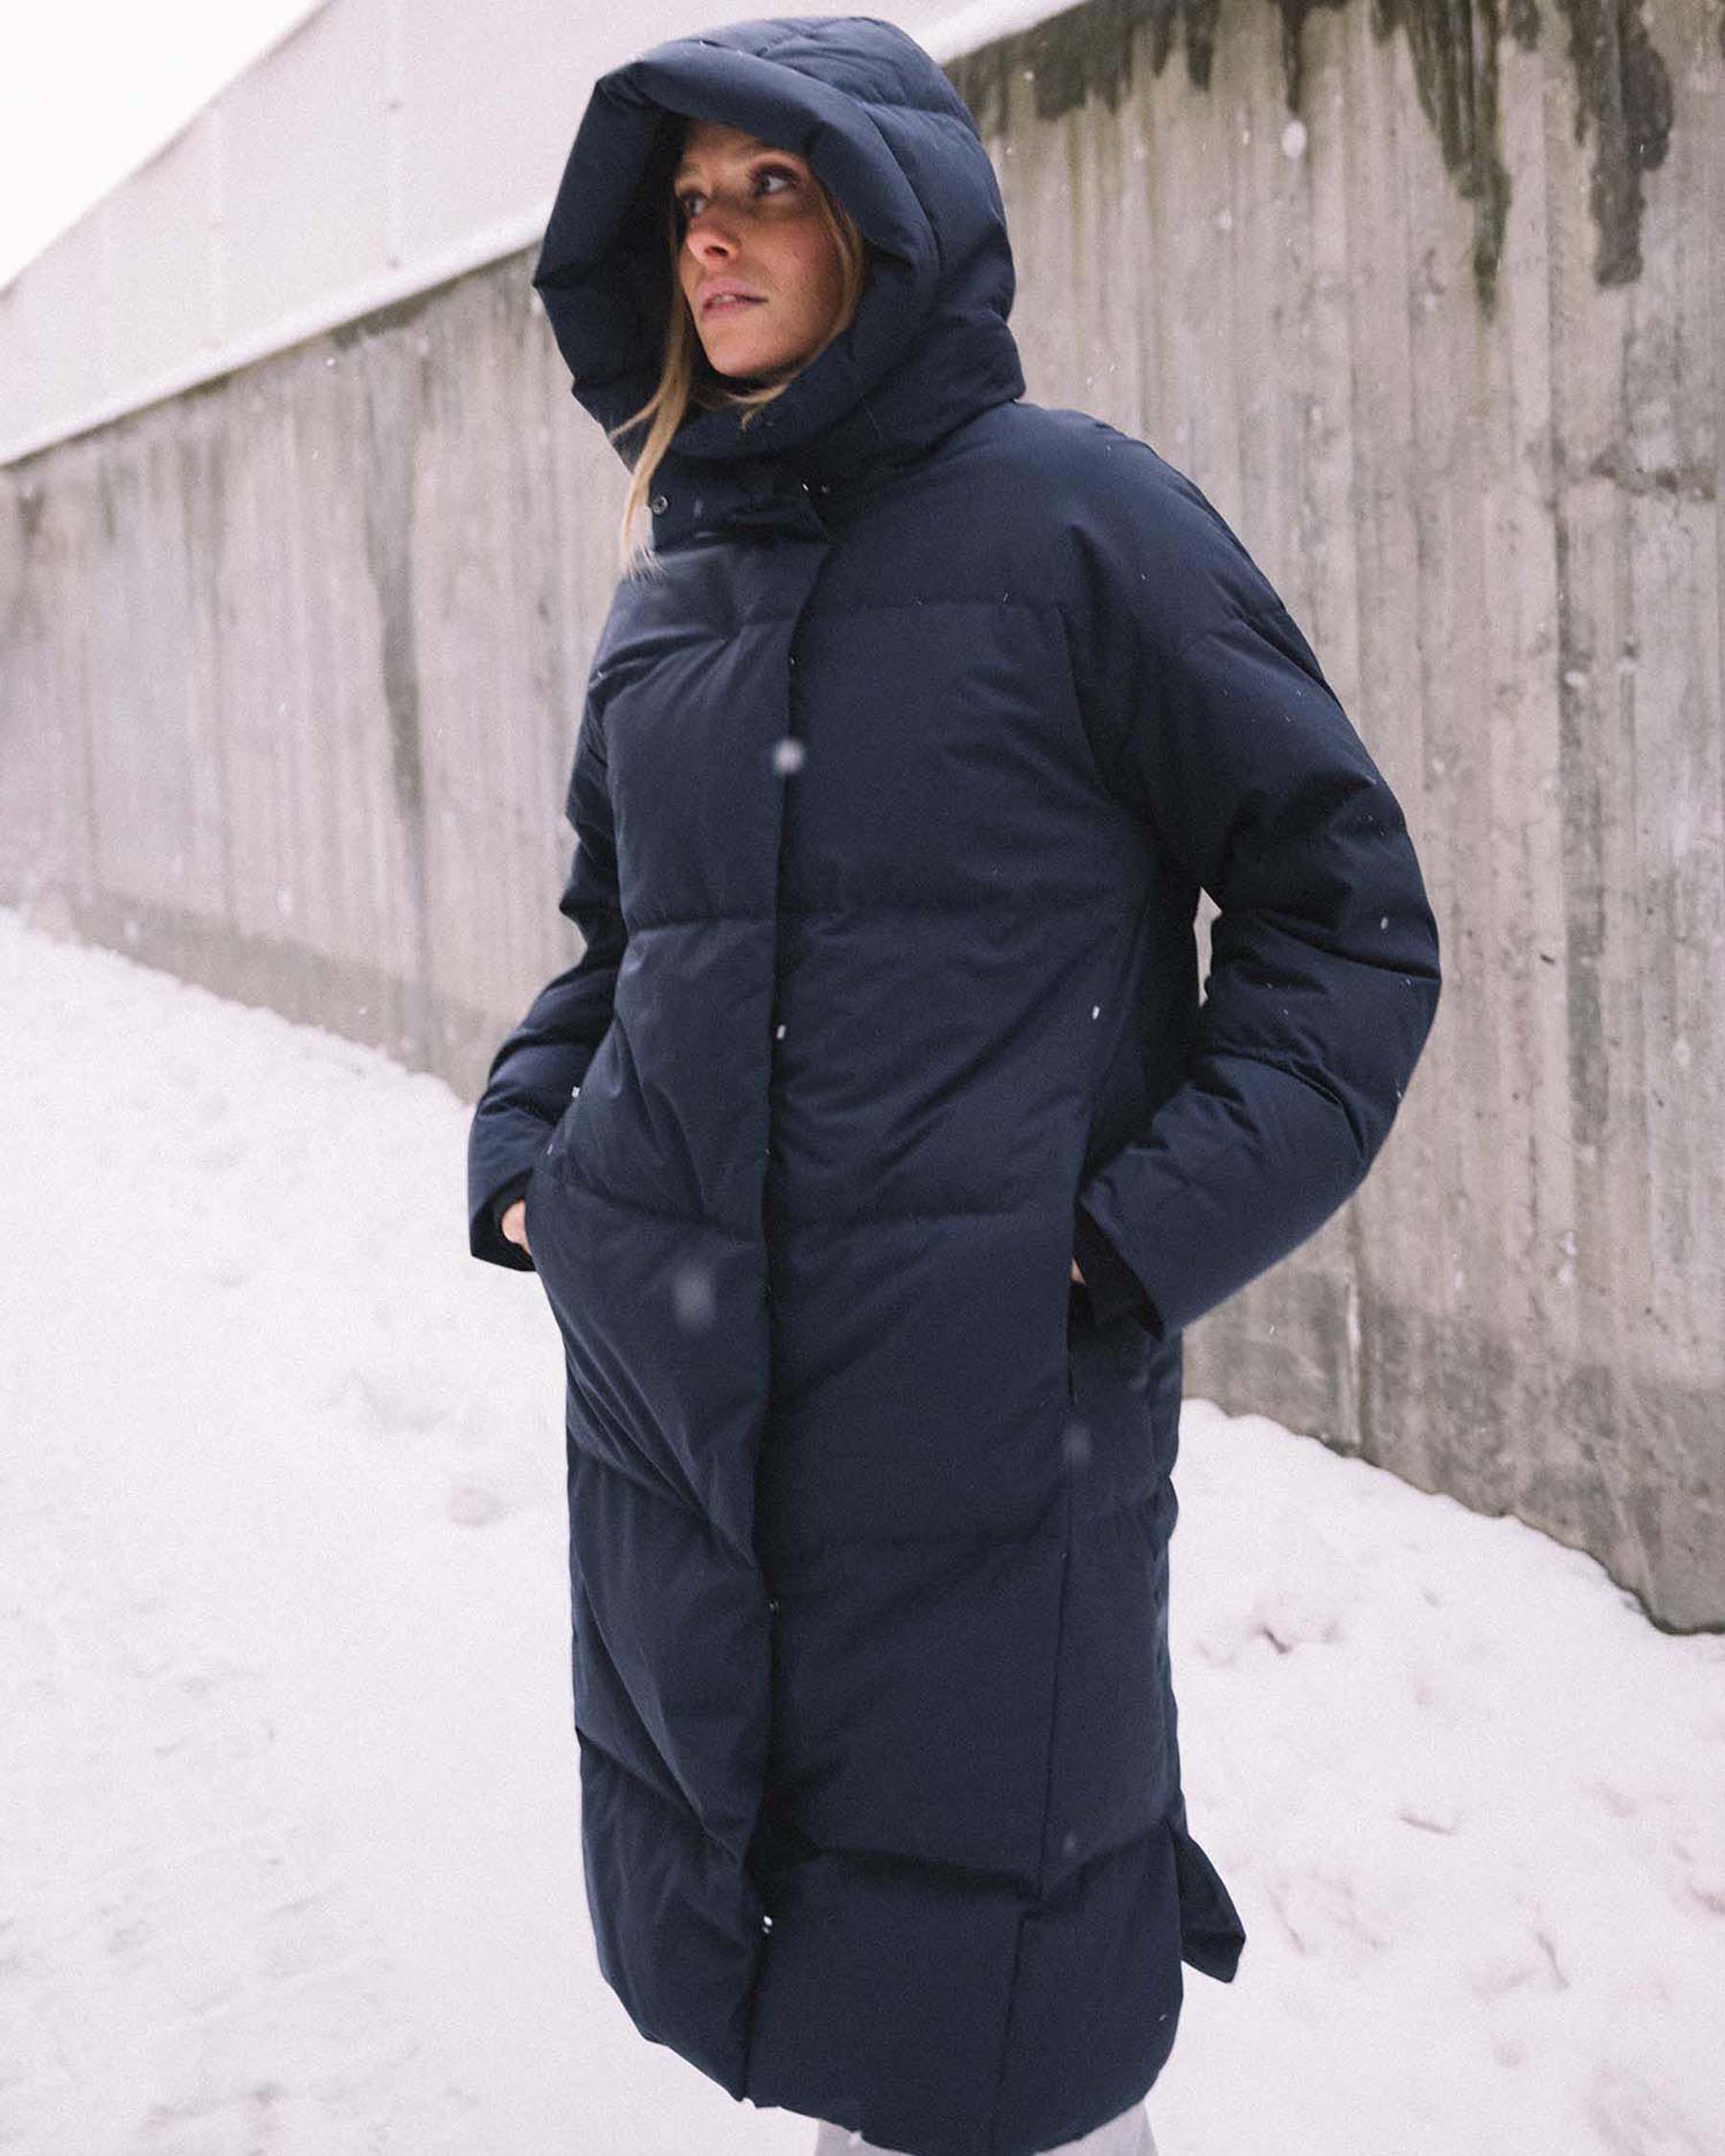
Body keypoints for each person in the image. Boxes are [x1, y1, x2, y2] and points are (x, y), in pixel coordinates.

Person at [466, 17, 1441, 2156]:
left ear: (889, 227)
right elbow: (619, 950)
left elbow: (1347, 924)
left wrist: (1111, 1244)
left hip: (982, 1423)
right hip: (685, 1422)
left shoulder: (1084, 523)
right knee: (820, 1975)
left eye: (773, 188)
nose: (712, 238)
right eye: (689, 200)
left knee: (1008, 2015)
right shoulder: (674, 590)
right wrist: (536, 1161)